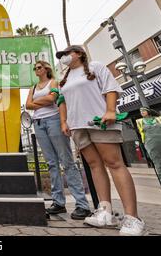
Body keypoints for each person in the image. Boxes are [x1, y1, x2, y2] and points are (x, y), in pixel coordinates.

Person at [57, 45, 145, 236]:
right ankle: (104, 211)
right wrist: (64, 122)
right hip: (78, 126)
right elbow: (62, 101)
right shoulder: (64, 80)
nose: (63, 57)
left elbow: (111, 88)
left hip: (99, 121)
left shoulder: (96, 67)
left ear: (79, 53)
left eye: (66, 53)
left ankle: (133, 217)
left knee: (114, 163)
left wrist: (111, 110)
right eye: (61, 56)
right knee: (94, 165)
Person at [26, 60, 91, 220]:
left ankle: (82, 204)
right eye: (35, 68)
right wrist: (43, 100)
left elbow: (53, 98)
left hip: (54, 120)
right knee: (51, 163)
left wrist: (39, 102)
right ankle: (58, 203)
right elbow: (28, 105)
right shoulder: (33, 88)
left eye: (39, 67)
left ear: (46, 68)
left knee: (66, 161)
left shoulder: (53, 82)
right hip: (38, 123)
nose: (36, 69)